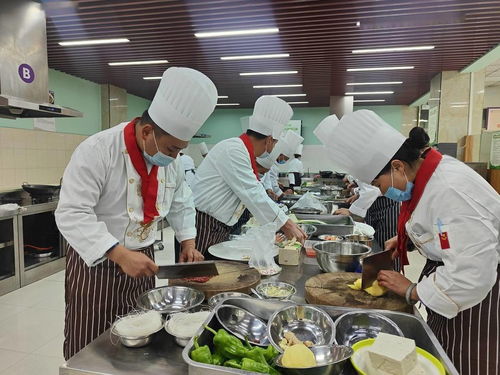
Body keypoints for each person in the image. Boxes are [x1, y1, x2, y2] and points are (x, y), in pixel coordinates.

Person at [320, 110, 500, 375]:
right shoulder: (430, 174)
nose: (380, 190)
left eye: (377, 182)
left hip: (479, 298)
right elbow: (444, 231)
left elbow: (471, 274)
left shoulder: (450, 190)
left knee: (464, 363)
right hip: (453, 282)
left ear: (397, 166)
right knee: (443, 352)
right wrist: (408, 240)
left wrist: (412, 291)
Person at [55, 67, 218, 359]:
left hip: (144, 261)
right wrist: (118, 254)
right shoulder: (98, 150)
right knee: (89, 344)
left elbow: (181, 200)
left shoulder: (173, 162)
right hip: (97, 267)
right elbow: (71, 213)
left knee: (142, 337)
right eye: (171, 148)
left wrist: (188, 243)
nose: (174, 157)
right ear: (147, 132)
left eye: (180, 150)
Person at [191, 96, 307, 256]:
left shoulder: (242, 152)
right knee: (198, 277)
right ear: (268, 140)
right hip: (204, 224)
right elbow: (252, 192)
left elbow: (253, 191)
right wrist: (286, 224)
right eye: (274, 143)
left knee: (215, 274)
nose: (271, 149)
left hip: (218, 225)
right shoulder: (233, 150)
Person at [260, 131, 303, 201]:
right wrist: (281, 194)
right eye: (285, 159)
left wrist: (269, 188)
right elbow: (265, 180)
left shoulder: (271, 163)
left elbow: (267, 178)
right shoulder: (266, 160)